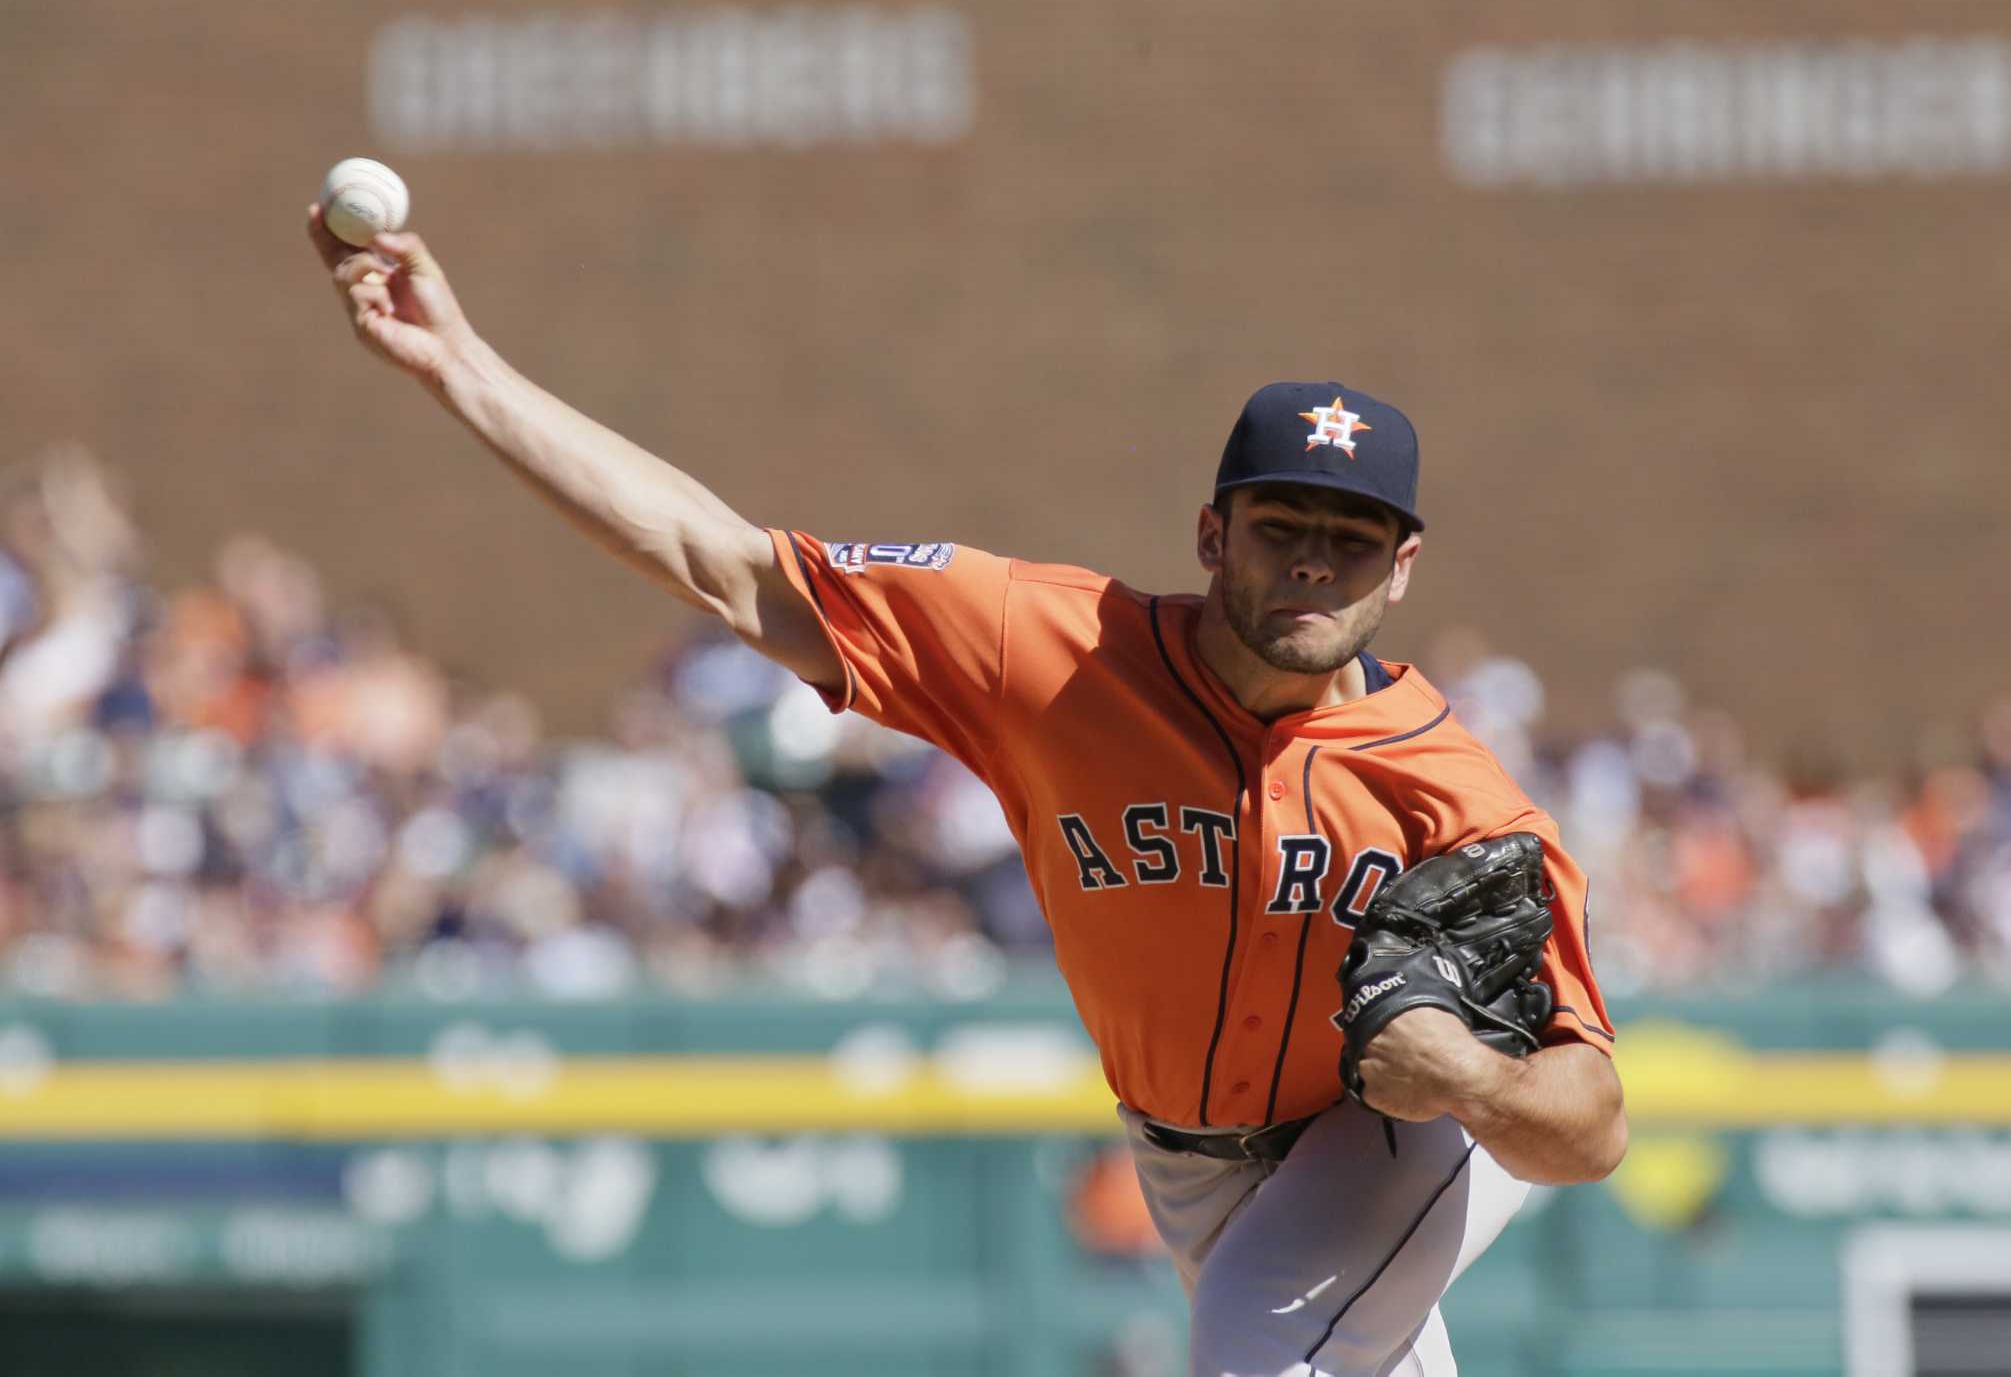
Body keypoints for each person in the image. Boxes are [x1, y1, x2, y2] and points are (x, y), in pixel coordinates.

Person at [308, 209, 1626, 1376]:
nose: (1312, 571)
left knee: (1259, 1351)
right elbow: (724, 565)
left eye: (1351, 546)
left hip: (1381, 1135)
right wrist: (462, 369)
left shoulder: (1453, 796)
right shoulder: (1042, 649)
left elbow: (1593, 1125)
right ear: (1214, 535)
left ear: (1400, 572)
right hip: (1183, 1157)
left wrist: (1470, 1078)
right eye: (1284, 530)